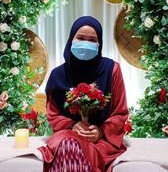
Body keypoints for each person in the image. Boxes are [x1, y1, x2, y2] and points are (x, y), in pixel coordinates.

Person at [39, 16, 129, 172]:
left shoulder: (112, 69)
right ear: (71, 39)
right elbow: (53, 114)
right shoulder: (58, 75)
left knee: (81, 150)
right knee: (69, 145)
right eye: (80, 38)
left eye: (92, 40)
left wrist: (100, 131)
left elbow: (119, 112)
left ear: (99, 43)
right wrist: (73, 126)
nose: (86, 43)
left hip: (102, 140)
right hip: (67, 134)